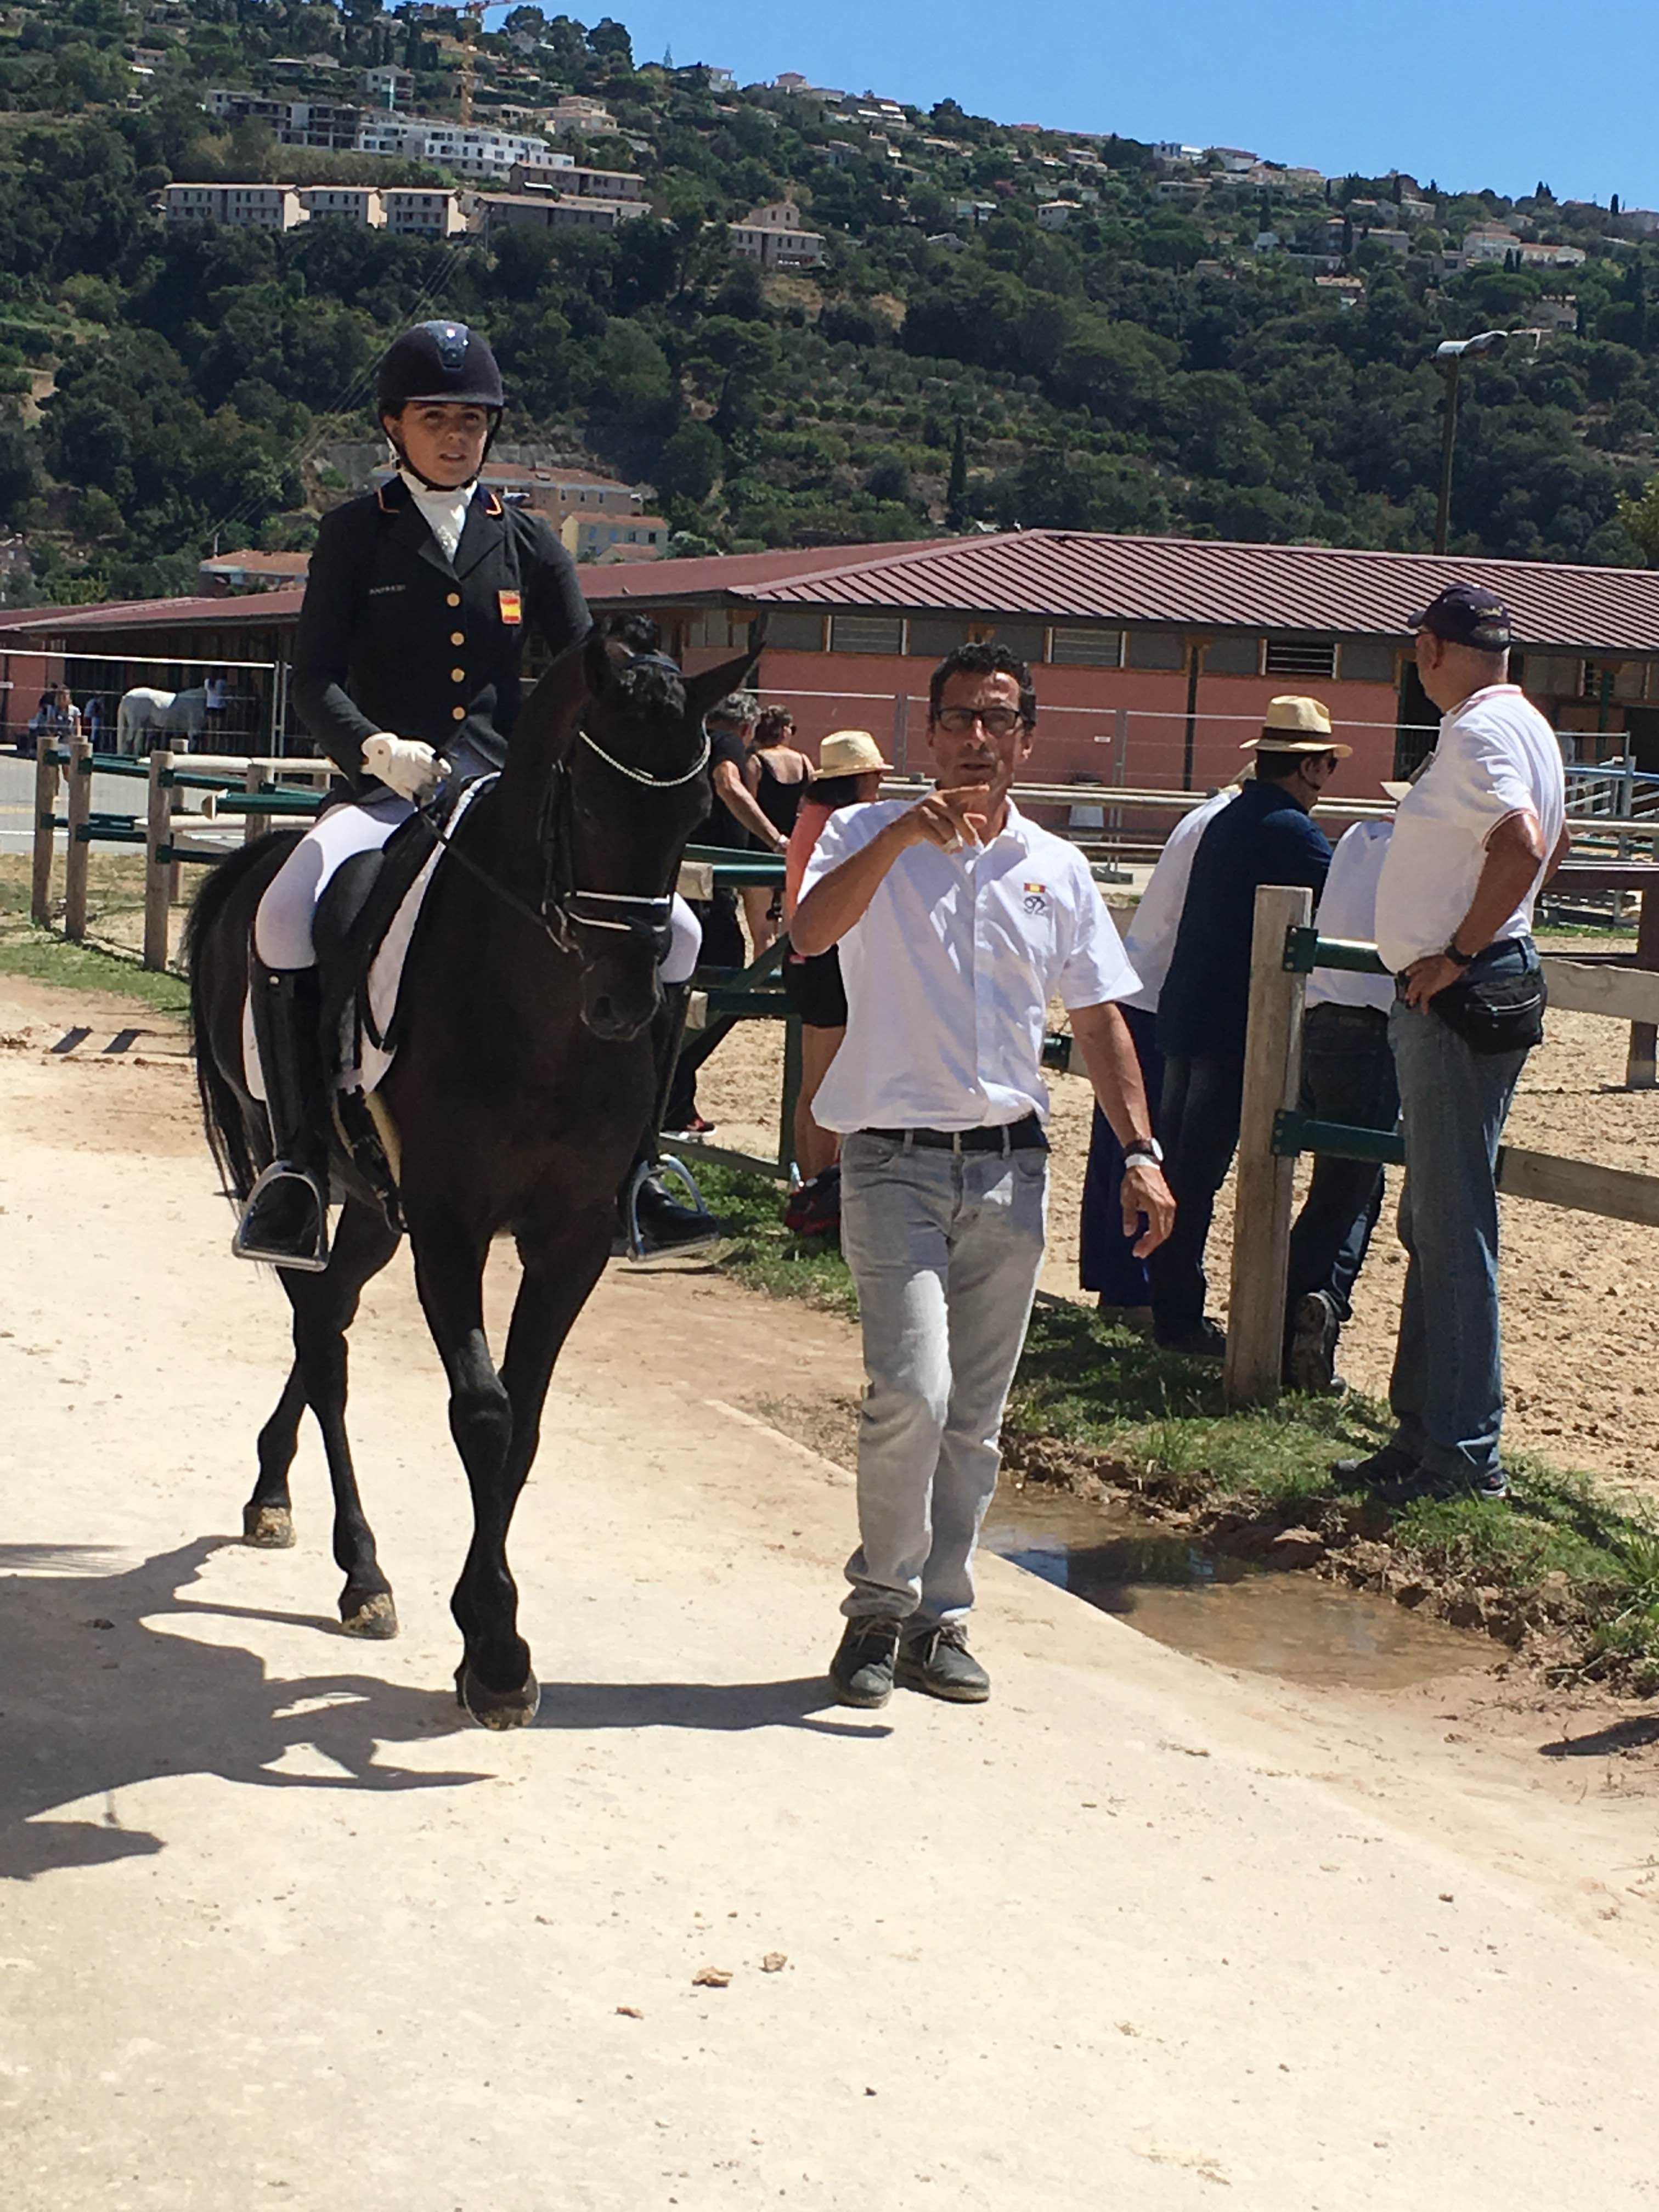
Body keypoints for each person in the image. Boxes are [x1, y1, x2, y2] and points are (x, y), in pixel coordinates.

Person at [793, 642, 1175, 1710]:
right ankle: (876, 1609)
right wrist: (904, 835)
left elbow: (1098, 1019)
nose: (974, 737)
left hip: (1011, 1171)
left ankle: (937, 1617)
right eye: (958, 717)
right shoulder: (867, 836)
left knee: (974, 1414)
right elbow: (810, 934)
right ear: (928, 731)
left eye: (996, 720)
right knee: (910, 1389)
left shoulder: (1055, 869)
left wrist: (1140, 1151)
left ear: (1024, 739)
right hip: (893, 1165)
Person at [235, 319, 592, 1269]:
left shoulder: (526, 542)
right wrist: (372, 749)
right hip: (388, 793)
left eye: (472, 419)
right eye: (435, 417)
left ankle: (634, 1161)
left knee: (671, 932)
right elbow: (312, 675)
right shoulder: (355, 534)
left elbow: (581, 667)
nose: (456, 435)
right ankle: (298, 1165)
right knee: (282, 913)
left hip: (499, 800)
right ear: (394, 425)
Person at [1339, 584, 1567, 1504]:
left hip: (1457, 993)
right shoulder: (1527, 727)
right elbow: (1553, 839)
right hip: (1486, 977)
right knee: (1434, 1216)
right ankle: (1429, 1431)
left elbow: (1517, 841)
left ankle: (1461, 1451)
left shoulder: (1472, 734)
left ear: (1429, 648)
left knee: (1449, 1219)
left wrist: (1458, 951)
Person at [1150, 697, 1345, 1356]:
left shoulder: (1232, 817)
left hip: (1186, 1011)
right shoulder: (1291, 830)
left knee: (1180, 1168)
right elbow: (1341, 906)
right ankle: (1180, 1319)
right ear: (1312, 768)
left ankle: (1170, 1306)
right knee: (1197, 1174)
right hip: (1231, 1026)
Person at [1078, 779, 1238, 1325]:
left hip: (1137, 984)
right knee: (1146, 1146)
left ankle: (1115, 1283)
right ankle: (1132, 1289)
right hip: (1161, 996)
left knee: (1119, 1145)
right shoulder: (1227, 825)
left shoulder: (1204, 817)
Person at [1282, 798, 1400, 1393]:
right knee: (1346, 1191)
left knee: (1350, 1184)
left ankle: (1311, 1309)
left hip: (1321, 1018)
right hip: (1372, 1030)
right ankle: (1301, 1315)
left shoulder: (1359, 835)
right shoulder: (1417, 852)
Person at [779, 729, 889, 1237]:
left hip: (804, 953)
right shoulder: (844, 825)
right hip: (827, 955)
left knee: (813, 1082)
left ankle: (812, 1188)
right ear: (862, 779)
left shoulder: (811, 817)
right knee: (827, 1083)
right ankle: (823, 1194)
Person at [743, 704, 812, 956]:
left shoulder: (756, 762)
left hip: (759, 847)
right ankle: (785, 987)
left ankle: (762, 988)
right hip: (794, 849)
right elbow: (812, 806)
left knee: (762, 932)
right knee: (790, 930)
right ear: (784, 731)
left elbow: (748, 806)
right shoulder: (804, 762)